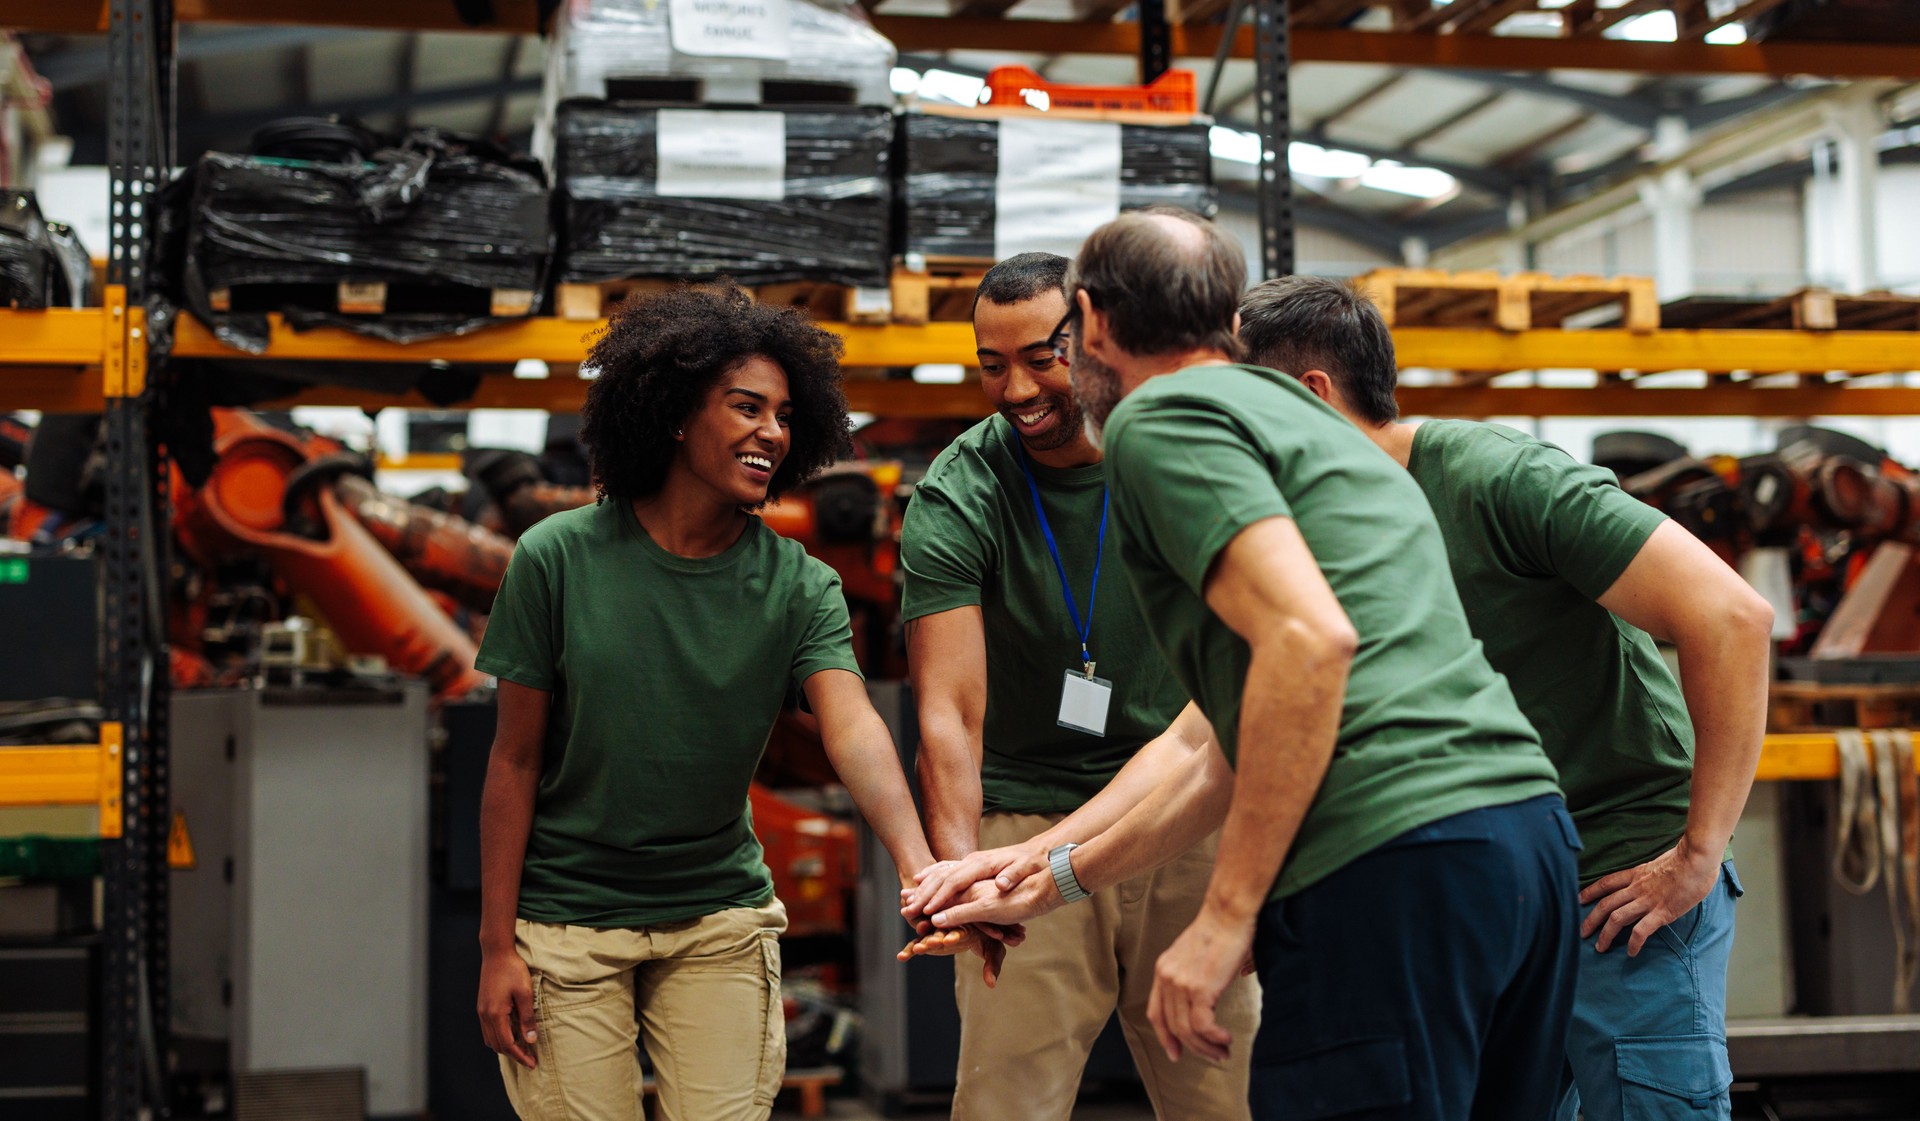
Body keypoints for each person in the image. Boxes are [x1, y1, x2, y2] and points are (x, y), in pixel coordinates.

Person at [909, 208, 1579, 1121]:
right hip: (1525, 838)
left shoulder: (1160, 420)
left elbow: (1310, 647)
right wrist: (1050, 868)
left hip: (1389, 854)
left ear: (1092, 322)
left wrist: (1224, 916)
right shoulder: (1312, 422)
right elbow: (1224, 743)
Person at [1237, 275, 1772, 1121]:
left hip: (1620, 882)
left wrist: (1697, 853)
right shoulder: (1316, 530)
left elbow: (1733, 616)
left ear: (1310, 396)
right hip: (1493, 891)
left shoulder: (1498, 478)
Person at [473, 286, 971, 1121]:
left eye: (782, 414)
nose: (770, 432)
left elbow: (851, 725)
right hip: (566, 923)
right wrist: (496, 947)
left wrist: (921, 866)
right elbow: (513, 758)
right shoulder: (555, 558)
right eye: (746, 407)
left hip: (717, 914)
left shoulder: (798, 583)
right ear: (673, 413)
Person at [900, 251, 1255, 1120]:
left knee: (1226, 1096)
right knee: (1006, 1104)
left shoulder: (1172, 457)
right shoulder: (961, 489)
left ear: (1090, 335)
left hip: (1186, 811)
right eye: (992, 363)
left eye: (1039, 357)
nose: (1016, 387)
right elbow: (949, 714)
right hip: (1027, 824)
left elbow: (1227, 697)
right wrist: (964, 879)